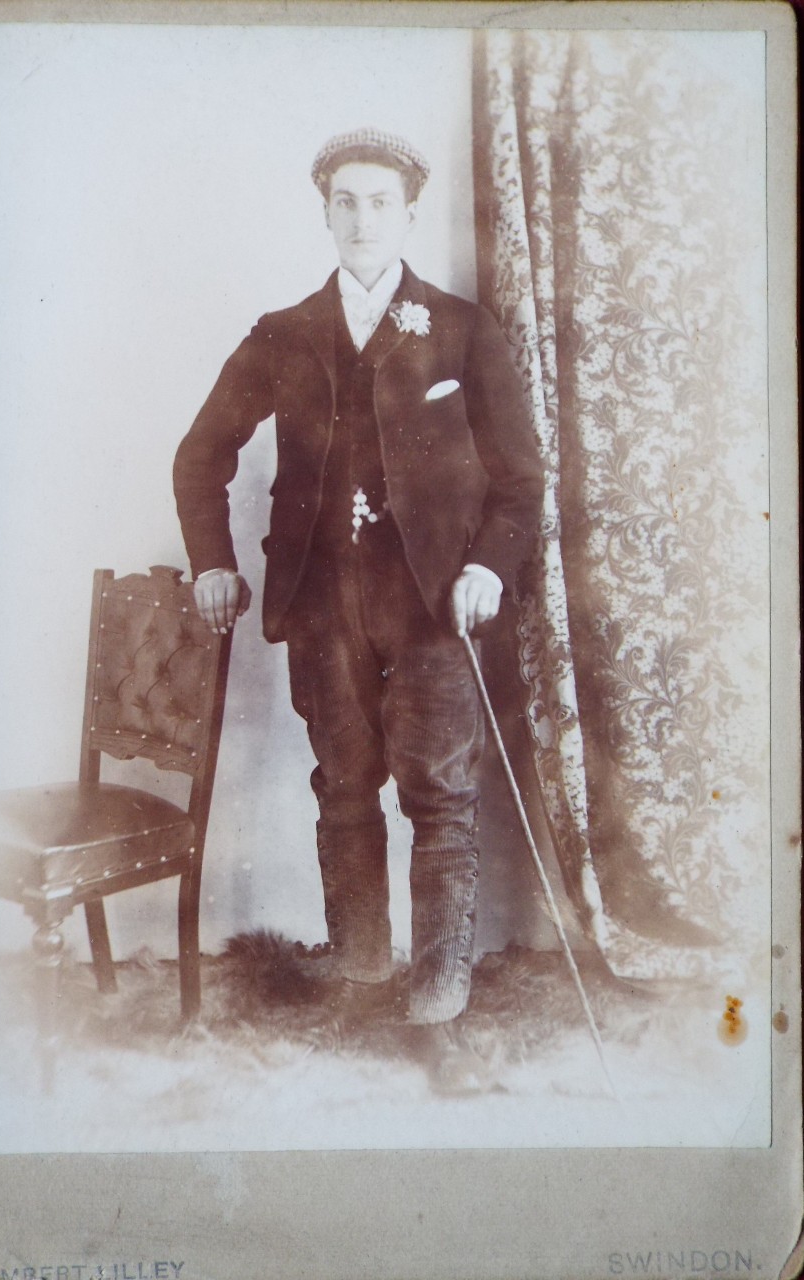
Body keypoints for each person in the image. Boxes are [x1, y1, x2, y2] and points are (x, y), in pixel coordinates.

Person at [173, 127, 543, 1089]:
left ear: (409, 214)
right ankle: (359, 981)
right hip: (324, 606)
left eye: (380, 201)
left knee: (441, 802)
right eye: (346, 200)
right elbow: (199, 454)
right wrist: (211, 562)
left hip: (433, 609)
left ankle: (437, 1013)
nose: (362, 218)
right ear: (324, 211)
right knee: (343, 795)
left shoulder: (461, 328)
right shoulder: (283, 332)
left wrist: (489, 570)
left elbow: (521, 478)